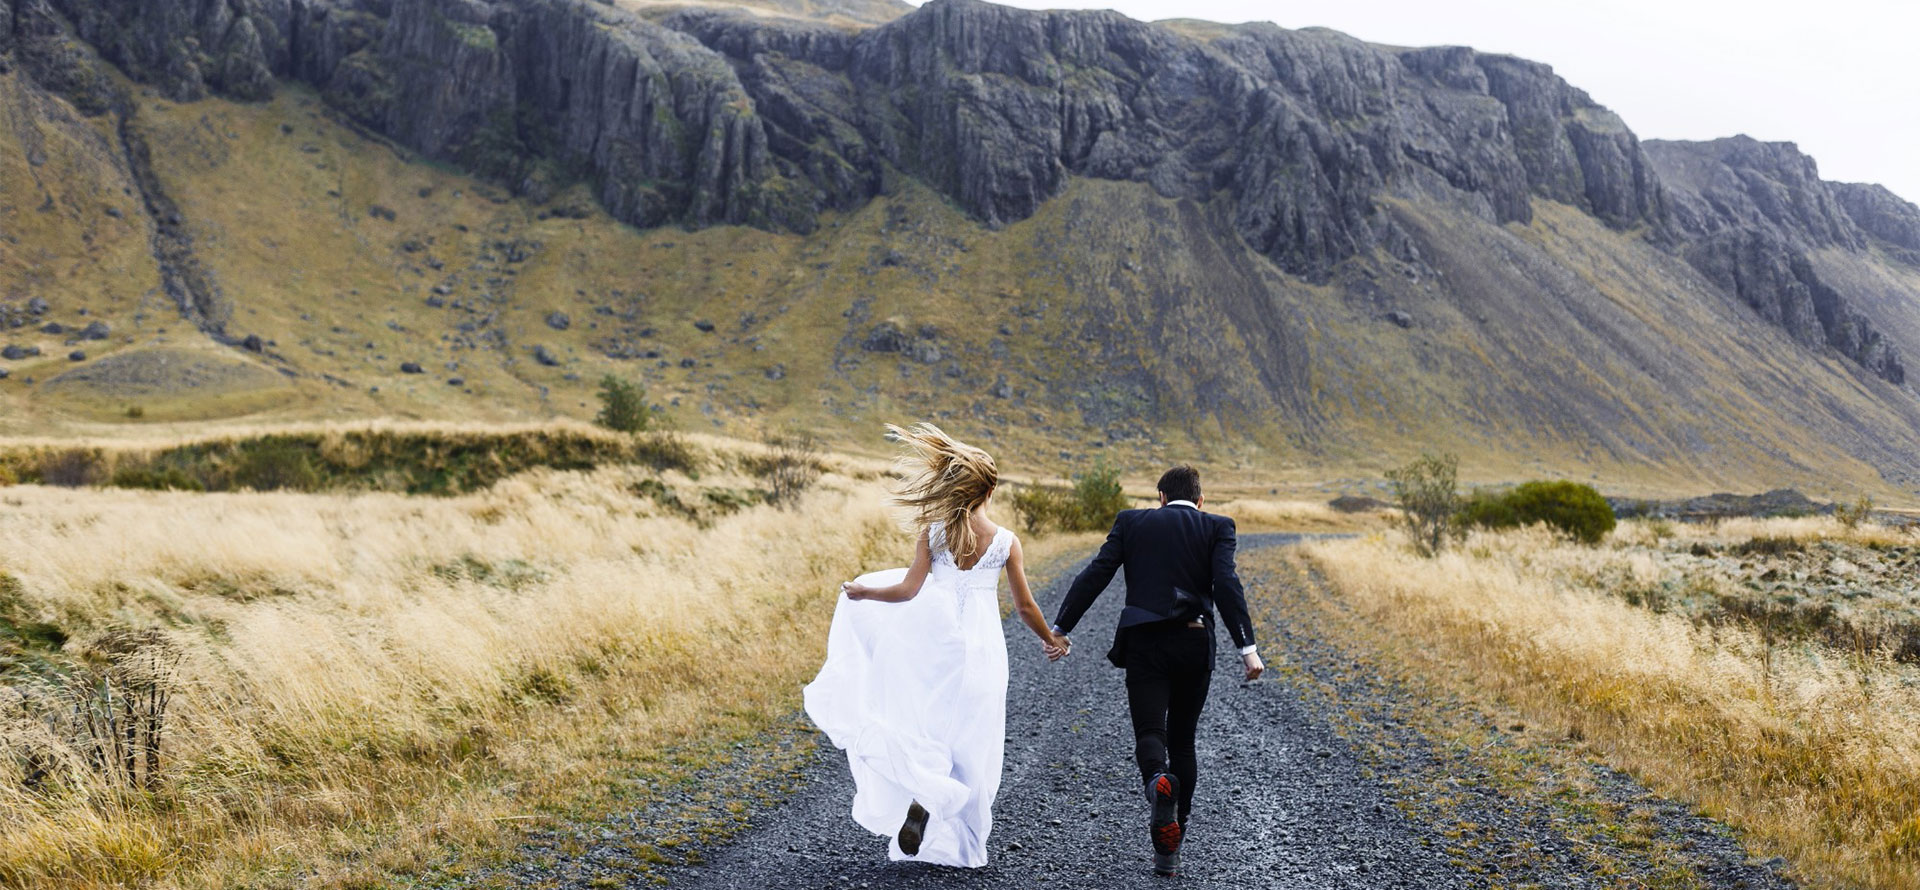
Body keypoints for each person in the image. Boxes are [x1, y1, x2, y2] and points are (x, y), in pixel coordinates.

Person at [802, 422, 1069, 867]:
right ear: (989, 491)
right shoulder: (1006, 542)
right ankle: (950, 825)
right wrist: (1051, 639)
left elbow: (908, 590)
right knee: (973, 735)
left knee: (929, 726)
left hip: (933, 642)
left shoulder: (934, 532)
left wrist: (866, 593)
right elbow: (1024, 606)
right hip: (982, 648)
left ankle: (926, 795)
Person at [1047, 464, 1263, 877]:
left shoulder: (1132, 522)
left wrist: (1060, 627)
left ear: (1160, 497)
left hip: (1145, 643)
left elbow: (1097, 574)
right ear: (1200, 501)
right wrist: (1247, 648)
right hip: (1194, 641)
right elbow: (1226, 583)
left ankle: (1156, 784)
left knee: (1150, 733)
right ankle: (1170, 850)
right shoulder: (1218, 526)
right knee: (1183, 741)